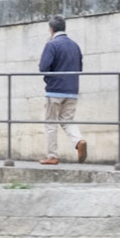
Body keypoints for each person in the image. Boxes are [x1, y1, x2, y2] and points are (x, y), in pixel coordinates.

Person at [38, 15, 84, 164]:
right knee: (67, 120)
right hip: (72, 90)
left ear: (51, 29)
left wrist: (50, 79)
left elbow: (43, 67)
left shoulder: (51, 45)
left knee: (50, 123)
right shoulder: (75, 46)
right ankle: (79, 141)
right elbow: (80, 68)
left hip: (55, 90)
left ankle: (52, 156)